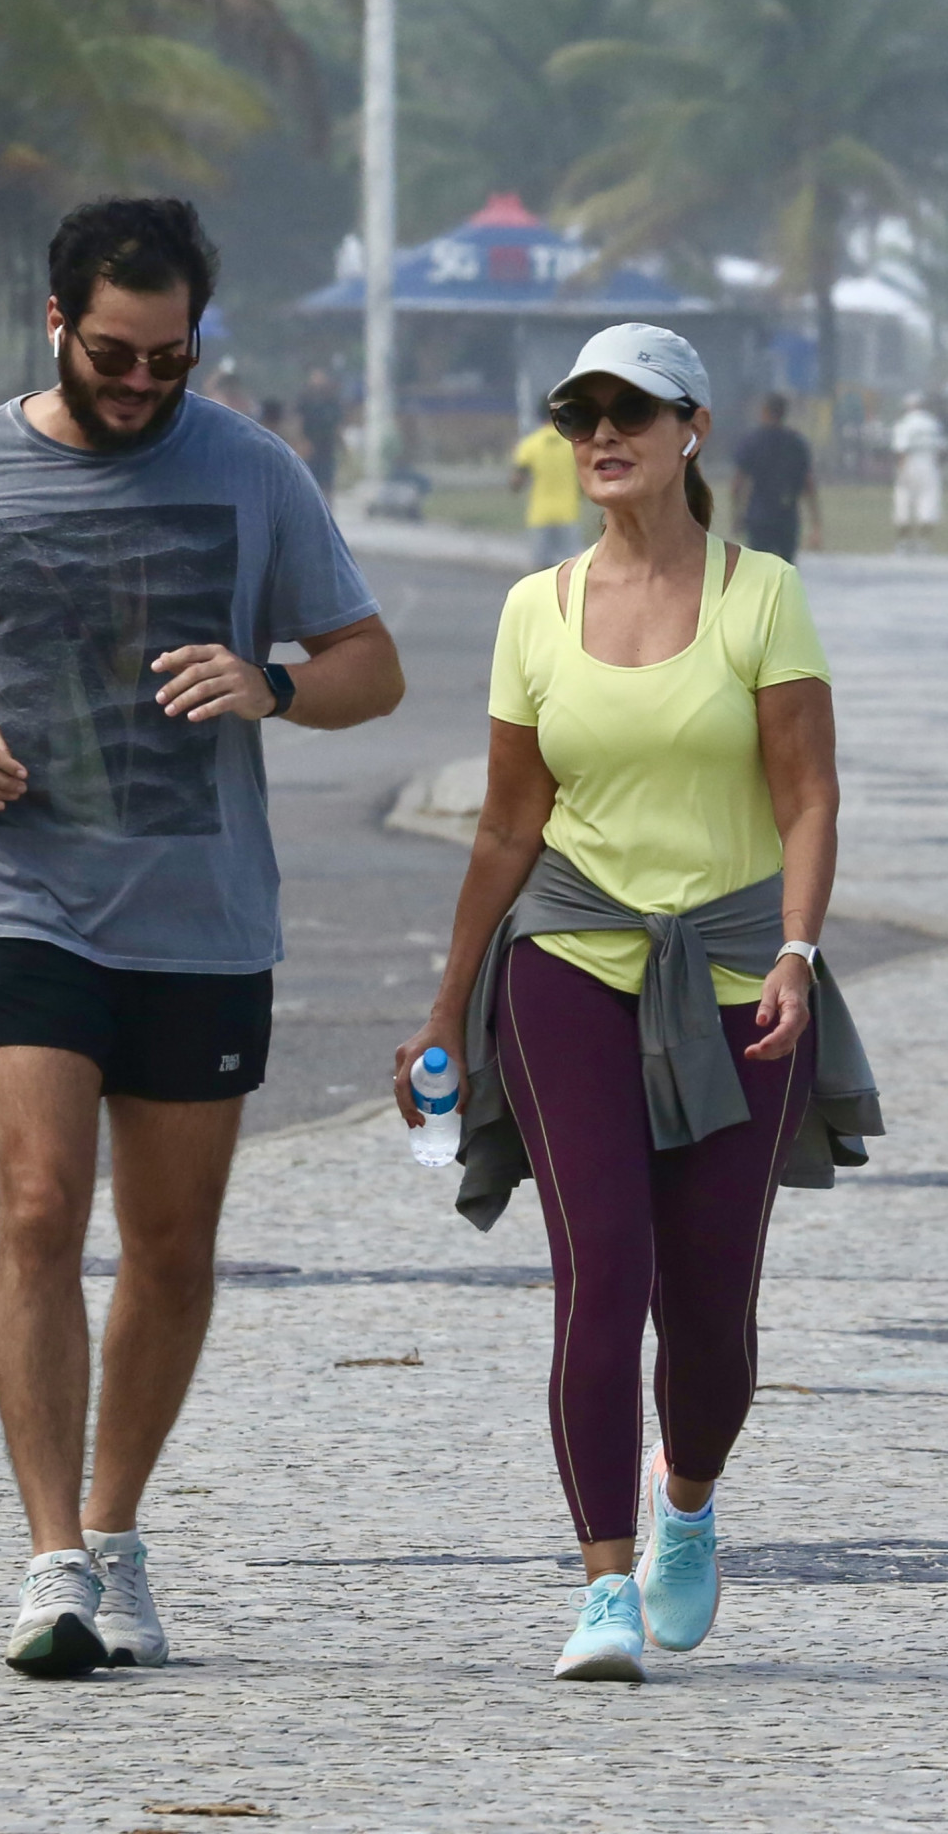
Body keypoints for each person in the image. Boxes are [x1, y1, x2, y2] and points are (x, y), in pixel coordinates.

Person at [0, 196, 404, 1679]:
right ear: (58, 323)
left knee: (169, 1251)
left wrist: (273, 687)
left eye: (169, 358)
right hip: (18, 892)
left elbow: (371, 666)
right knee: (39, 1208)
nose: (142, 384)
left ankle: (112, 1534)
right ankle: (49, 1566)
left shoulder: (253, 469)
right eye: (116, 353)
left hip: (201, 914)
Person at [395, 322, 879, 1683]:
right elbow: (502, 829)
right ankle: (600, 1580)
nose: (600, 432)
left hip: (735, 969)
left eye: (630, 409)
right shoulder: (528, 611)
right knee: (598, 1273)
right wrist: (445, 1012)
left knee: (709, 1308)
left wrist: (793, 949)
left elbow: (806, 796)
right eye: (578, 413)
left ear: (690, 432)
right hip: (567, 961)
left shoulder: (758, 595)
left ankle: (683, 1503)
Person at [731, 393, 821, 563]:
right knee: (786, 571)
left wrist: (737, 515)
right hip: (787, 518)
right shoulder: (796, 443)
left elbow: (737, 484)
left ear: (764, 411)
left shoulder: (752, 441)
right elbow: (808, 484)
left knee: (759, 572)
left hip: (758, 518)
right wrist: (816, 524)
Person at [510, 393, 582, 567]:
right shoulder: (573, 443)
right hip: (568, 513)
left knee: (540, 572)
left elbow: (516, 483)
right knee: (573, 569)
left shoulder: (530, 445)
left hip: (540, 515)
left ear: (538, 415)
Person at [891, 392, 945, 552]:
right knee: (928, 502)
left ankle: (903, 544)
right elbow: (942, 449)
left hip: (909, 463)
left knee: (903, 500)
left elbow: (901, 449)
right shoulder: (933, 423)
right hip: (929, 464)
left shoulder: (904, 423)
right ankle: (924, 543)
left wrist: (901, 471)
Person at [296, 368, 343, 498]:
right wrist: (301, 441)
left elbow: (337, 424)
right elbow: (298, 420)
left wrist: (341, 444)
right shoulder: (305, 399)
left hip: (327, 446)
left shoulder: (332, 400)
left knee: (327, 480)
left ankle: (327, 509)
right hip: (309, 445)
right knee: (309, 478)